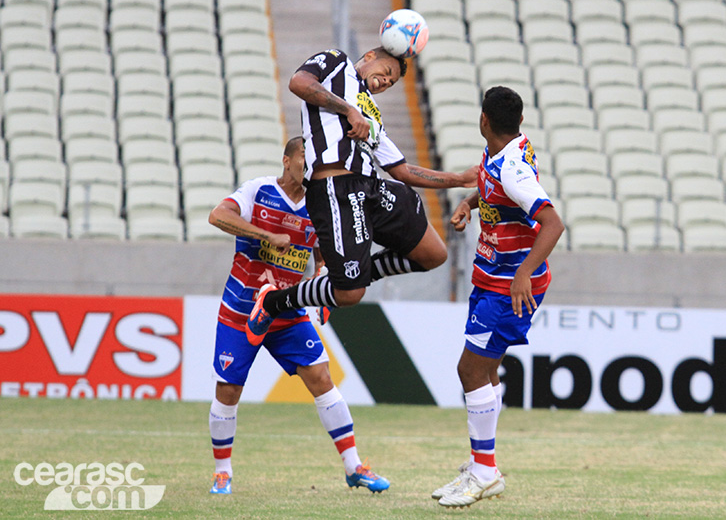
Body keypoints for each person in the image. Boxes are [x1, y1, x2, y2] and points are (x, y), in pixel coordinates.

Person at [245, 46, 478, 343]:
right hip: (335, 188)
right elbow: (299, 83)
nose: (385, 82)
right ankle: (273, 302)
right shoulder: (337, 63)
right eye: (387, 73)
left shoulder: (372, 115)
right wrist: (347, 110)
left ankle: (346, 273)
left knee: (434, 254)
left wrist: (459, 179)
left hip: (372, 187)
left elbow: (402, 170)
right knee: (350, 294)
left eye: (391, 83)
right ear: (369, 56)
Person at [207, 136, 390, 495]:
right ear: (287, 160)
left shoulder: (320, 203)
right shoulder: (258, 190)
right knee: (228, 389)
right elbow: (218, 216)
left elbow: (323, 254)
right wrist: (266, 234)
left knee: (322, 378)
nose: (311, 162)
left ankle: (355, 467)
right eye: (305, 155)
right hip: (242, 310)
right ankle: (222, 472)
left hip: (287, 311)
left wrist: (322, 282)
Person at [433, 86, 564, 508]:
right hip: (491, 276)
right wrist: (470, 203)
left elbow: (552, 223)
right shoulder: (503, 153)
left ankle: (485, 472)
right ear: (519, 122)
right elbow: (496, 191)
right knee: (485, 372)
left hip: (509, 284)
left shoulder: (512, 168)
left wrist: (524, 272)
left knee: (469, 371)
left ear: (483, 120)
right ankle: (481, 466)